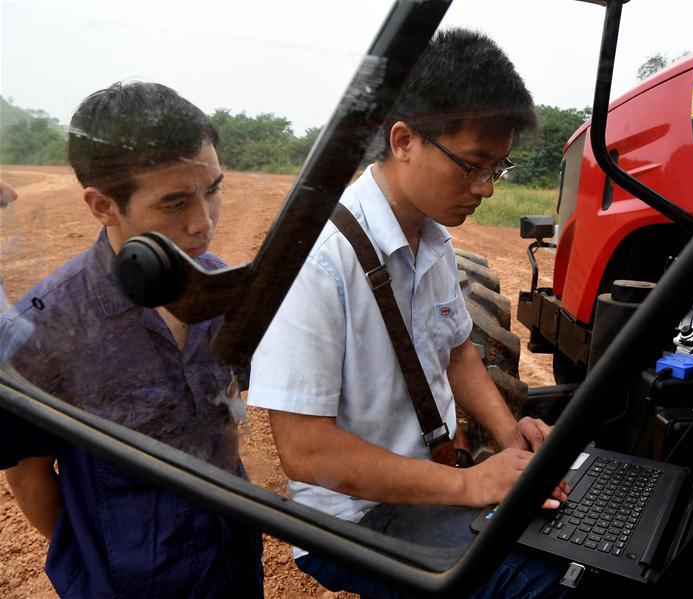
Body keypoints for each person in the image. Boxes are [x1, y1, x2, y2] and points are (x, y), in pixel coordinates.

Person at [248, 29, 570, 597]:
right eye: (472, 165)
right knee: (542, 583)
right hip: (354, 518)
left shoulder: (434, 237)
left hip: (434, 484)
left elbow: (458, 350)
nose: (486, 189)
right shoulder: (316, 259)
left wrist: (510, 435)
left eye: (498, 167)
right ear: (403, 140)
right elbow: (304, 451)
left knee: (572, 543)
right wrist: (471, 486)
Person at [0, 82, 263, 597]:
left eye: (213, 189)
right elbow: (29, 477)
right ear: (102, 206)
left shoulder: (225, 288)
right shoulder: (46, 324)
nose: (202, 221)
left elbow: (233, 408)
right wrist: (104, 567)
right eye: (174, 203)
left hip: (233, 562)